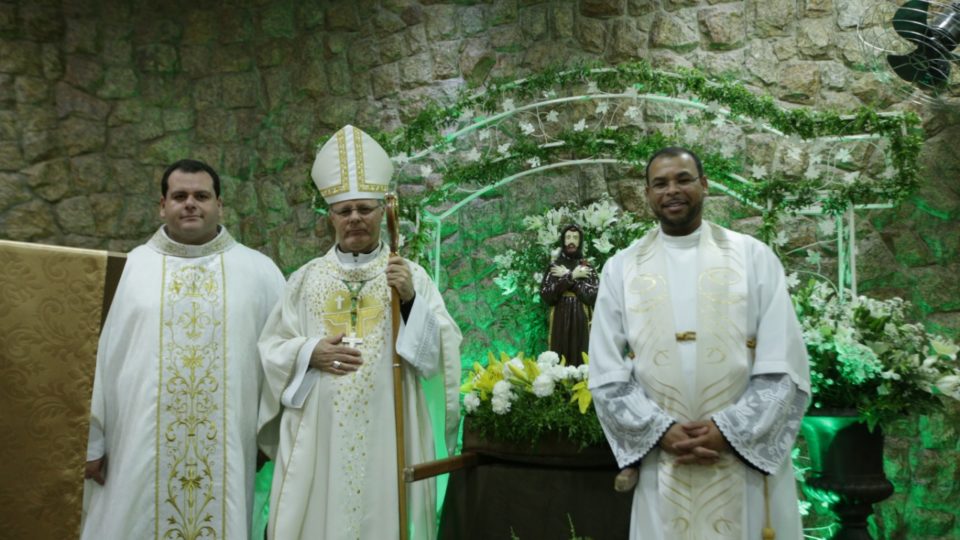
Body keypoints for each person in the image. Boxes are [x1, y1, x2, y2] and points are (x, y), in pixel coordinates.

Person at [588, 147, 810, 539]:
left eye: (683, 179)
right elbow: (606, 371)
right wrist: (659, 430)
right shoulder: (621, 268)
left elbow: (784, 361)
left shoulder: (754, 257)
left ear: (704, 185)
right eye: (660, 183)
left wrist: (730, 430)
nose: (672, 190)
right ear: (648, 194)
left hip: (740, 459)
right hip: (663, 458)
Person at [257, 125, 462, 540]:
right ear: (330, 216)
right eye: (344, 210)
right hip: (320, 436)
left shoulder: (409, 275)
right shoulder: (305, 279)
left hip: (391, 430)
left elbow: (444, 353)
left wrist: (408, 301)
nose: (354, 218)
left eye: (364, 209)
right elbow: (272, 347)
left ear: (382, 213)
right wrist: (308, 352)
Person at [82, 159, 285, 539]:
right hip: (134, 445)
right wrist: (93, 441)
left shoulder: (260, 272)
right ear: (163, 206)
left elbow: (280, 357)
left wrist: (267, 437)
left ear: (219, 205)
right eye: (180, 196)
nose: (190, 203)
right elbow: (101, 361)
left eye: (201, 196)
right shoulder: (130, 270)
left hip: (231, 446)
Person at [539, 223, 598, 366]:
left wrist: (567, 277)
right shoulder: (554, 267)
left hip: (582, 318)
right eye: (568, 237)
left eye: (575, 238)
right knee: (560, 353)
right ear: (563, 241)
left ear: (580, 241)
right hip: (560, 317)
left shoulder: (587, 268)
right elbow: (547, 294)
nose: (571, 241)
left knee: (582, 352)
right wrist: (572, 277)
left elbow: (593, 295)